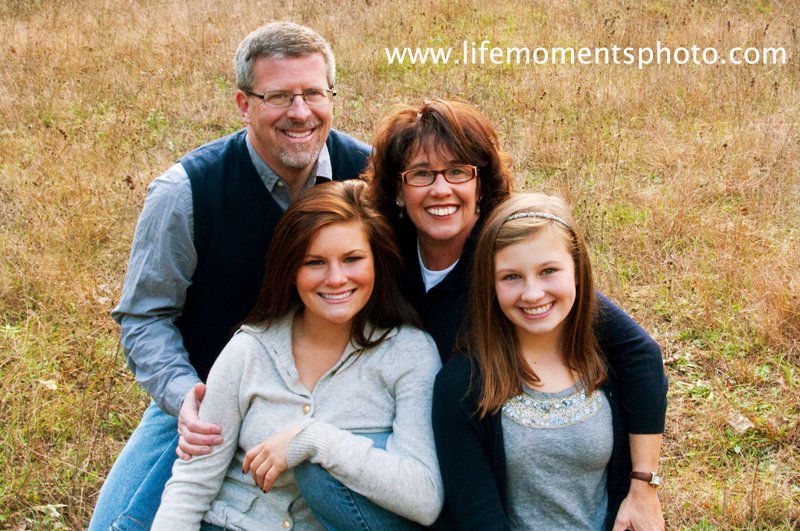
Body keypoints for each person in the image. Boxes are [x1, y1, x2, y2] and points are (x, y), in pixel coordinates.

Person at [91, 22, 371, 530]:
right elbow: (145, 316)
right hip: (212, 395)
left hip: (333, 394)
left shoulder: (368, 176)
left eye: (313, 93)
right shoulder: (185, 193)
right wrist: (185, 399)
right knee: (118, 525)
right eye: (279, 96)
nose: (300, 112)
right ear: (243, 103)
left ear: (332, 95)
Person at [363, 99, 667, 529]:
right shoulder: (382, 260)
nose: (440, 189)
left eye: (457, 171)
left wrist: (643, 484)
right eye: (420, 174)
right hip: (410, 445)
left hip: (484, 461)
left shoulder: (511, 259)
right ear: (398, 189)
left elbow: (639, 353)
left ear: (482, 184)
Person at [152, 180, 443, 530]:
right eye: (315, 262)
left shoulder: (409, 354)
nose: (336, 279)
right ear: (291, 271)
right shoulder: (249, 350)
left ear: (377, 262)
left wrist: (315, 440)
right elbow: (192, 484)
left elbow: (424, 498)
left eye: (352, 259)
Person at [432, 193, 661, 529]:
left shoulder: (611, 365)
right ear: (490, 285)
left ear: (578, 273)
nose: (533, 293)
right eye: (511, 277)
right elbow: (478, 517)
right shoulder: (461, 386)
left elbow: (622, 494)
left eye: (548, 271)